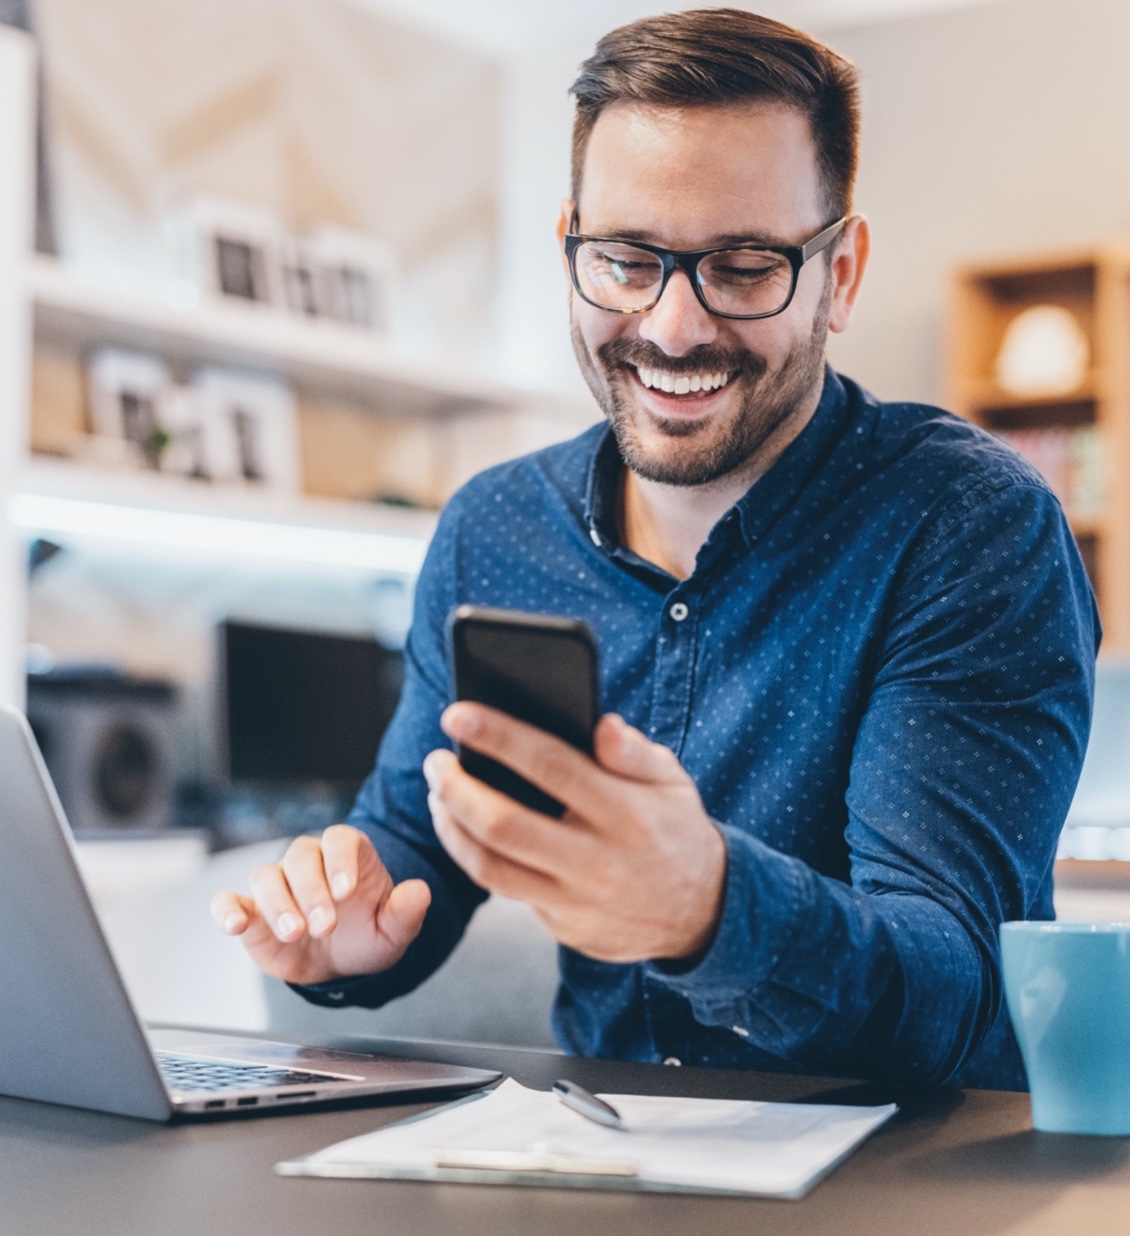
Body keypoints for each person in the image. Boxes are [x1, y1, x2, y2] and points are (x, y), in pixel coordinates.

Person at [211, 8, 1099, 1090]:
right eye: (628, 259)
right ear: (571, 248)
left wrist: (710, 910)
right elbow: (413, 844)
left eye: (742, 265)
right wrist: (343, 933)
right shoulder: (493, 531)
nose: (673, 327)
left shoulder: (965, 526)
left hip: (896, 1182)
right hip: (595, 1160)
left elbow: (955, 986)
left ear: (840, 274)